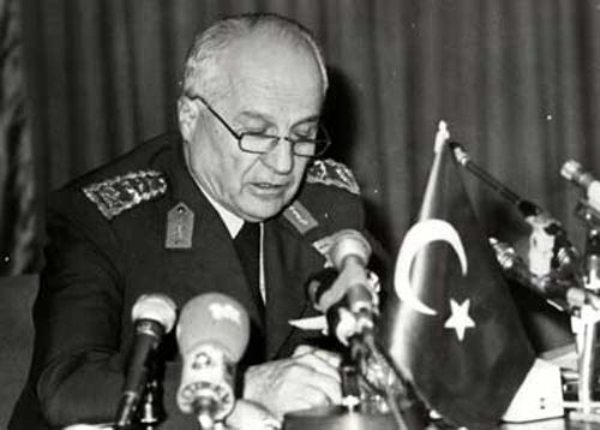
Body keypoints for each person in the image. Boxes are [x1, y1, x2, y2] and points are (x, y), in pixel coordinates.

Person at [10, 12, 379, 430]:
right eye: (256, 134)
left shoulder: (329, 203)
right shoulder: (104, 216)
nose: (282, 164)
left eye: (302, 135)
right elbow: (69, 386)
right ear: (189, 117)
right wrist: (247, 385)